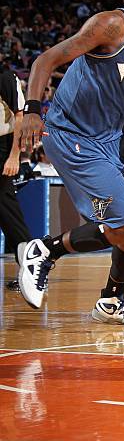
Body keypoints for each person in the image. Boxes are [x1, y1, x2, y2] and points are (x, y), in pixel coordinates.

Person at [17, 0, 124, 325]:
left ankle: (110, 301)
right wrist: (32, 110)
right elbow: (46, 60)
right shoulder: (113, 25)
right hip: (73, 135)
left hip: (112, 139)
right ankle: (45, 250)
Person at [0, 59, 31, 289]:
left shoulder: (6, 77)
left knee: (7, 211)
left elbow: (20, 118)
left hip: (3, 147)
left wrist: (14, 156)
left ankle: (31, 269)